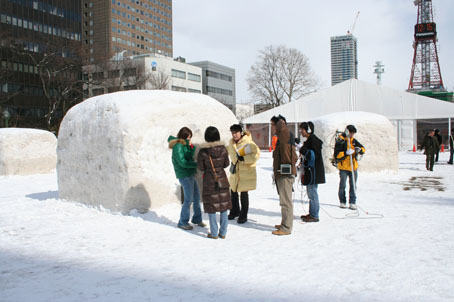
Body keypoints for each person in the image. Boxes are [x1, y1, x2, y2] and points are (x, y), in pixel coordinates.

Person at [197, 126, 231, 239]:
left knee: (211, 206)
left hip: (209, 180)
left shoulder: (203, 152)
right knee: (223, 205)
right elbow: (226, 164)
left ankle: (214, 233)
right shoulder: (224, 149)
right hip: (222, 179)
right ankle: (223, 232)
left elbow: (201, 167)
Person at [168, 127, 204, 230]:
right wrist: (196, 165)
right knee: (188, 200)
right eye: (188, 137)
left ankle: (197, 219)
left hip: (190, 174)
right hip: (184, 175)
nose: (190, 139)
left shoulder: (183, 145)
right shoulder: (178, 146)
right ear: (183, 137)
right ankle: (182, 222)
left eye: (190, 138)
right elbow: (183, 162)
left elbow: (188, 157)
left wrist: (191, 148)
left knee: (196, 197)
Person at [227, 124, 260, 224]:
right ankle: (234, 210)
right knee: (233, 191)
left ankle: (243, 214)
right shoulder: (231, 143)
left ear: (240, 132)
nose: (234, 135)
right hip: (235, 172)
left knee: (244, 194)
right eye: (232, 132)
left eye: (236, 132)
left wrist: (244, 159)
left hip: (246, 172)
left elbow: (256, 155)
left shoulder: (248, 142)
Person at [270, 115, 297, 236]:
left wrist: (281, 123)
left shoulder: (285, 135)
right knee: (283, 201)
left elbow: (284, 130)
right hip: (281, 173)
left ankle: (286, 227)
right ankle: (284, 223)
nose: (272, 127)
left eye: (273, 125)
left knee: (286, 202)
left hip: (285, 174)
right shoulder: (282, 138)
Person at [299, 121, 325, 222]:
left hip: (314, 172)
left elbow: (311, 156)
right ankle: (312, 213)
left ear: (308, 130)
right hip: (311, 172)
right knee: (310, 193)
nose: (301, 131)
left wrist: (301, 148)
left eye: (302, 129)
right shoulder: (310, 140)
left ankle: (314, 215)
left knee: (313, 193)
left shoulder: (314, 142)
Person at [334, 125, 365, 210]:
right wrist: (345, 153)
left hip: (353, 167)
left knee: (353, 185)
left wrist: (359, 150)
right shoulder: (341, 141)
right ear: (347, 132)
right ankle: (342, 201)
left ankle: (352, 202)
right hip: (344, 167)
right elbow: (336, 155)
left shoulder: (353, 141)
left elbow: (363, 148)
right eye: (351, 133)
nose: (352, 135)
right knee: (343, 185)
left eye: (353, 133)